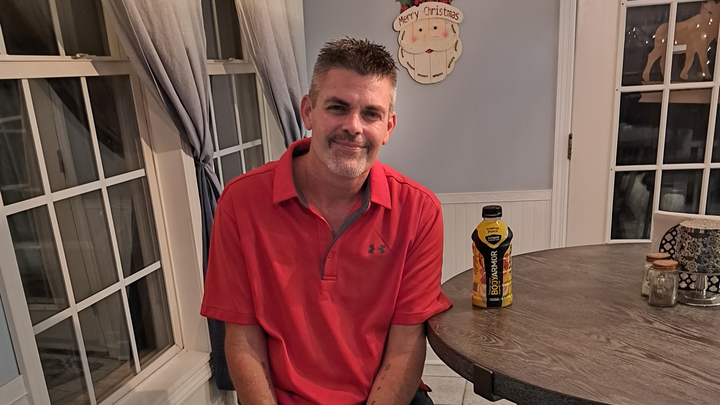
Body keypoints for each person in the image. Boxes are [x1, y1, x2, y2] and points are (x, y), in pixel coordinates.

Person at [201, 37, 452, 405]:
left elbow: (405, 346)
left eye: (371, 114)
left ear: (389, 126)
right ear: (308, 111)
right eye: (338, 107)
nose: (353, 126)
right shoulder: (239, 203)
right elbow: (243, 343)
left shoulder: (420, 211)